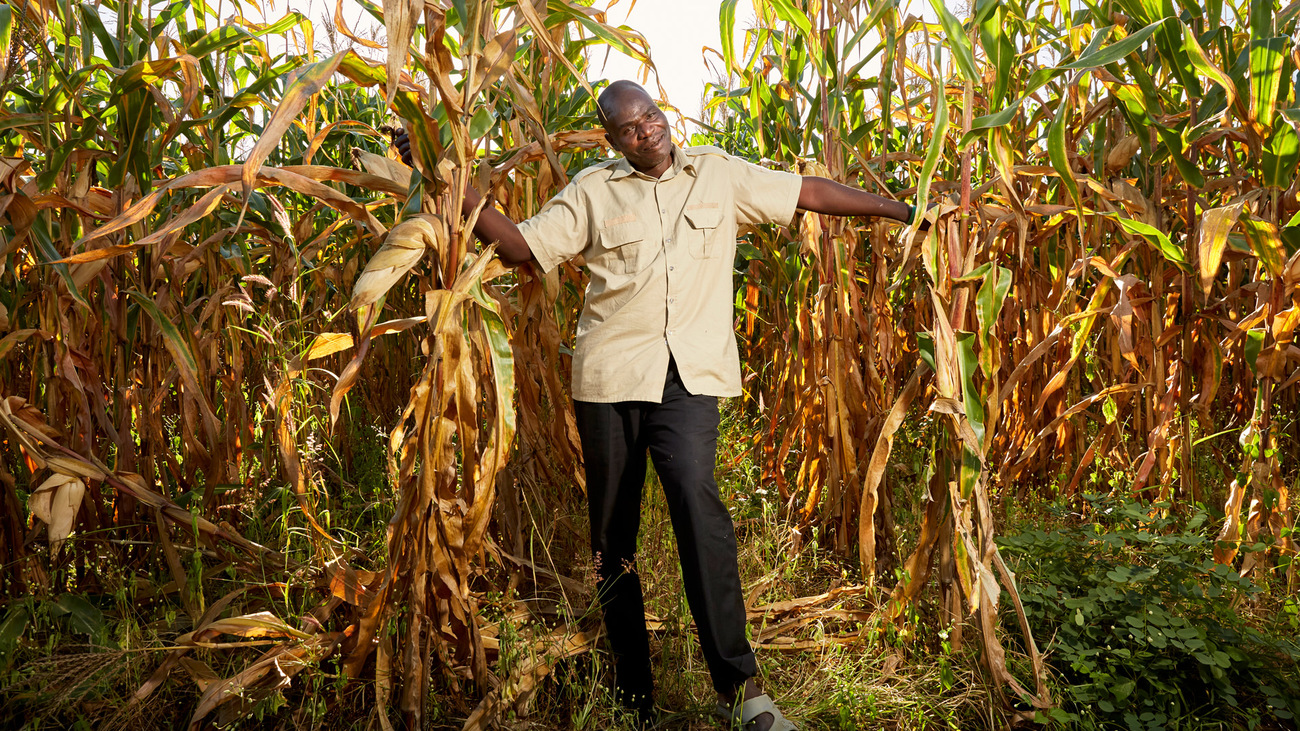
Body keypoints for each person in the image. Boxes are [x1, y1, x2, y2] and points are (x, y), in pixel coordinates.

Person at [400, 81, 920, 731]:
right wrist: (451, 188)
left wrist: (902, 210)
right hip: (610, 378)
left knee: (695, 494)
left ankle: (744, 689)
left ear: (661, 115)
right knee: (612, 537)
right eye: (629, 127)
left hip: (691, 376)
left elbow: (807, 191)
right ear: (611, 139)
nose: (647, 131)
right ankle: (635, 694)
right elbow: (520, 247)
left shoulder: (718, 174)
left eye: (651, 116)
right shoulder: (594, 190)